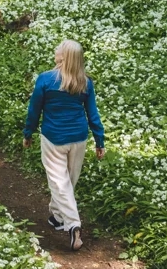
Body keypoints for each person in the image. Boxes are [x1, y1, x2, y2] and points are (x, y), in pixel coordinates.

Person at [23, 39, 105, 251]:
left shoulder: (46, 79)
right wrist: (99, 140)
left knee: (60, 183)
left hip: (53, 138)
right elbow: (92, 114)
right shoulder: (84, 82)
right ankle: (57, 217)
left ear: (65, 56)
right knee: (67, 181)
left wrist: (28, 132)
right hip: (78, 138)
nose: (55, 50)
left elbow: (34, 110)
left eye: (58, 48)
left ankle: (74, 225)